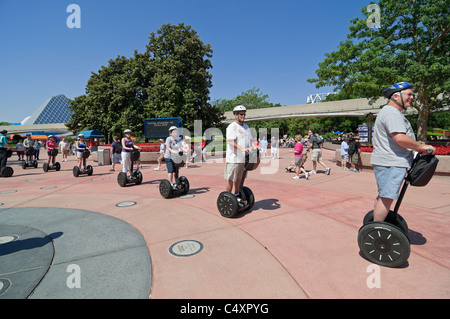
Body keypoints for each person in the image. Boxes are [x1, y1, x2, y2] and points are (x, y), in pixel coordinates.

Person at [370, 82, 435, 222]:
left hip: (388, 161)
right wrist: (422, 147)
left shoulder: (389, 112)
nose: (412, 97)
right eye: (409, 94)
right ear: (395, 96)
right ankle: (376, 231)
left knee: (384, 196)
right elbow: (400, 138)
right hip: (391, 162)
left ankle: (375, 226)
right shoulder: (391, 113)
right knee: (387, 198)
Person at [225, 105, 253, 196]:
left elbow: (250, 140)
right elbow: (230, 141)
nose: (243, 116)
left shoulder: (246, 126)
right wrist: (242, 149)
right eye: (241, 114)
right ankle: (228, 197)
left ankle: (236, 195)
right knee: (231, 179)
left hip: (243, 158)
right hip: (233, 158)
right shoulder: (232, 127)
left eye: (244, 114)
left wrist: (255, 146)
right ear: (236, 115)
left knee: (239, 178)